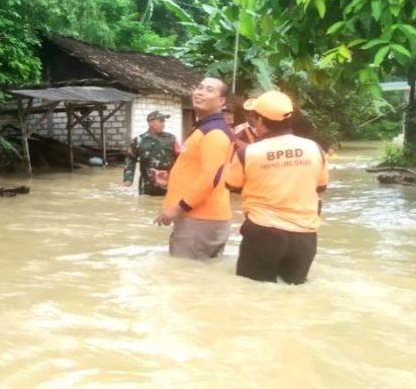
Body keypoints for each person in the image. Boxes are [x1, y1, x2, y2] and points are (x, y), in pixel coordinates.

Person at [224, 91, 329, 285]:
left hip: (263, 233)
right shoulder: (314, 148)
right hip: (305, 236)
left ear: (261, 120)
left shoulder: (247, 152)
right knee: (294, 294)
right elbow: (321, 186)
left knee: (253, 293)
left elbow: (231, 184)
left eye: (254, 118)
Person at [154, 77, 235, 260]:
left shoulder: (214, 132)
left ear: (221, 101)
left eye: (209, 90)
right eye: (199, 87)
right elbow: (201, 172)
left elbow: (210, 178)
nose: (200, 92)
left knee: (183, 278)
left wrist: (178, 208)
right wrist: (171, 180)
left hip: (201, 219)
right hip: (198, 218)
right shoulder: (203, 129)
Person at [122, 111, 180, 196]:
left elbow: (180, 158)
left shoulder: (171, 138)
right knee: (146, 205)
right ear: (150, 122)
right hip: (147, 185)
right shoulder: (139, 140)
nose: (163, 124)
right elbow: (130, 160)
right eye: (160, 121)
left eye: (164, 121)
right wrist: (128, 180)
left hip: (169, 183)